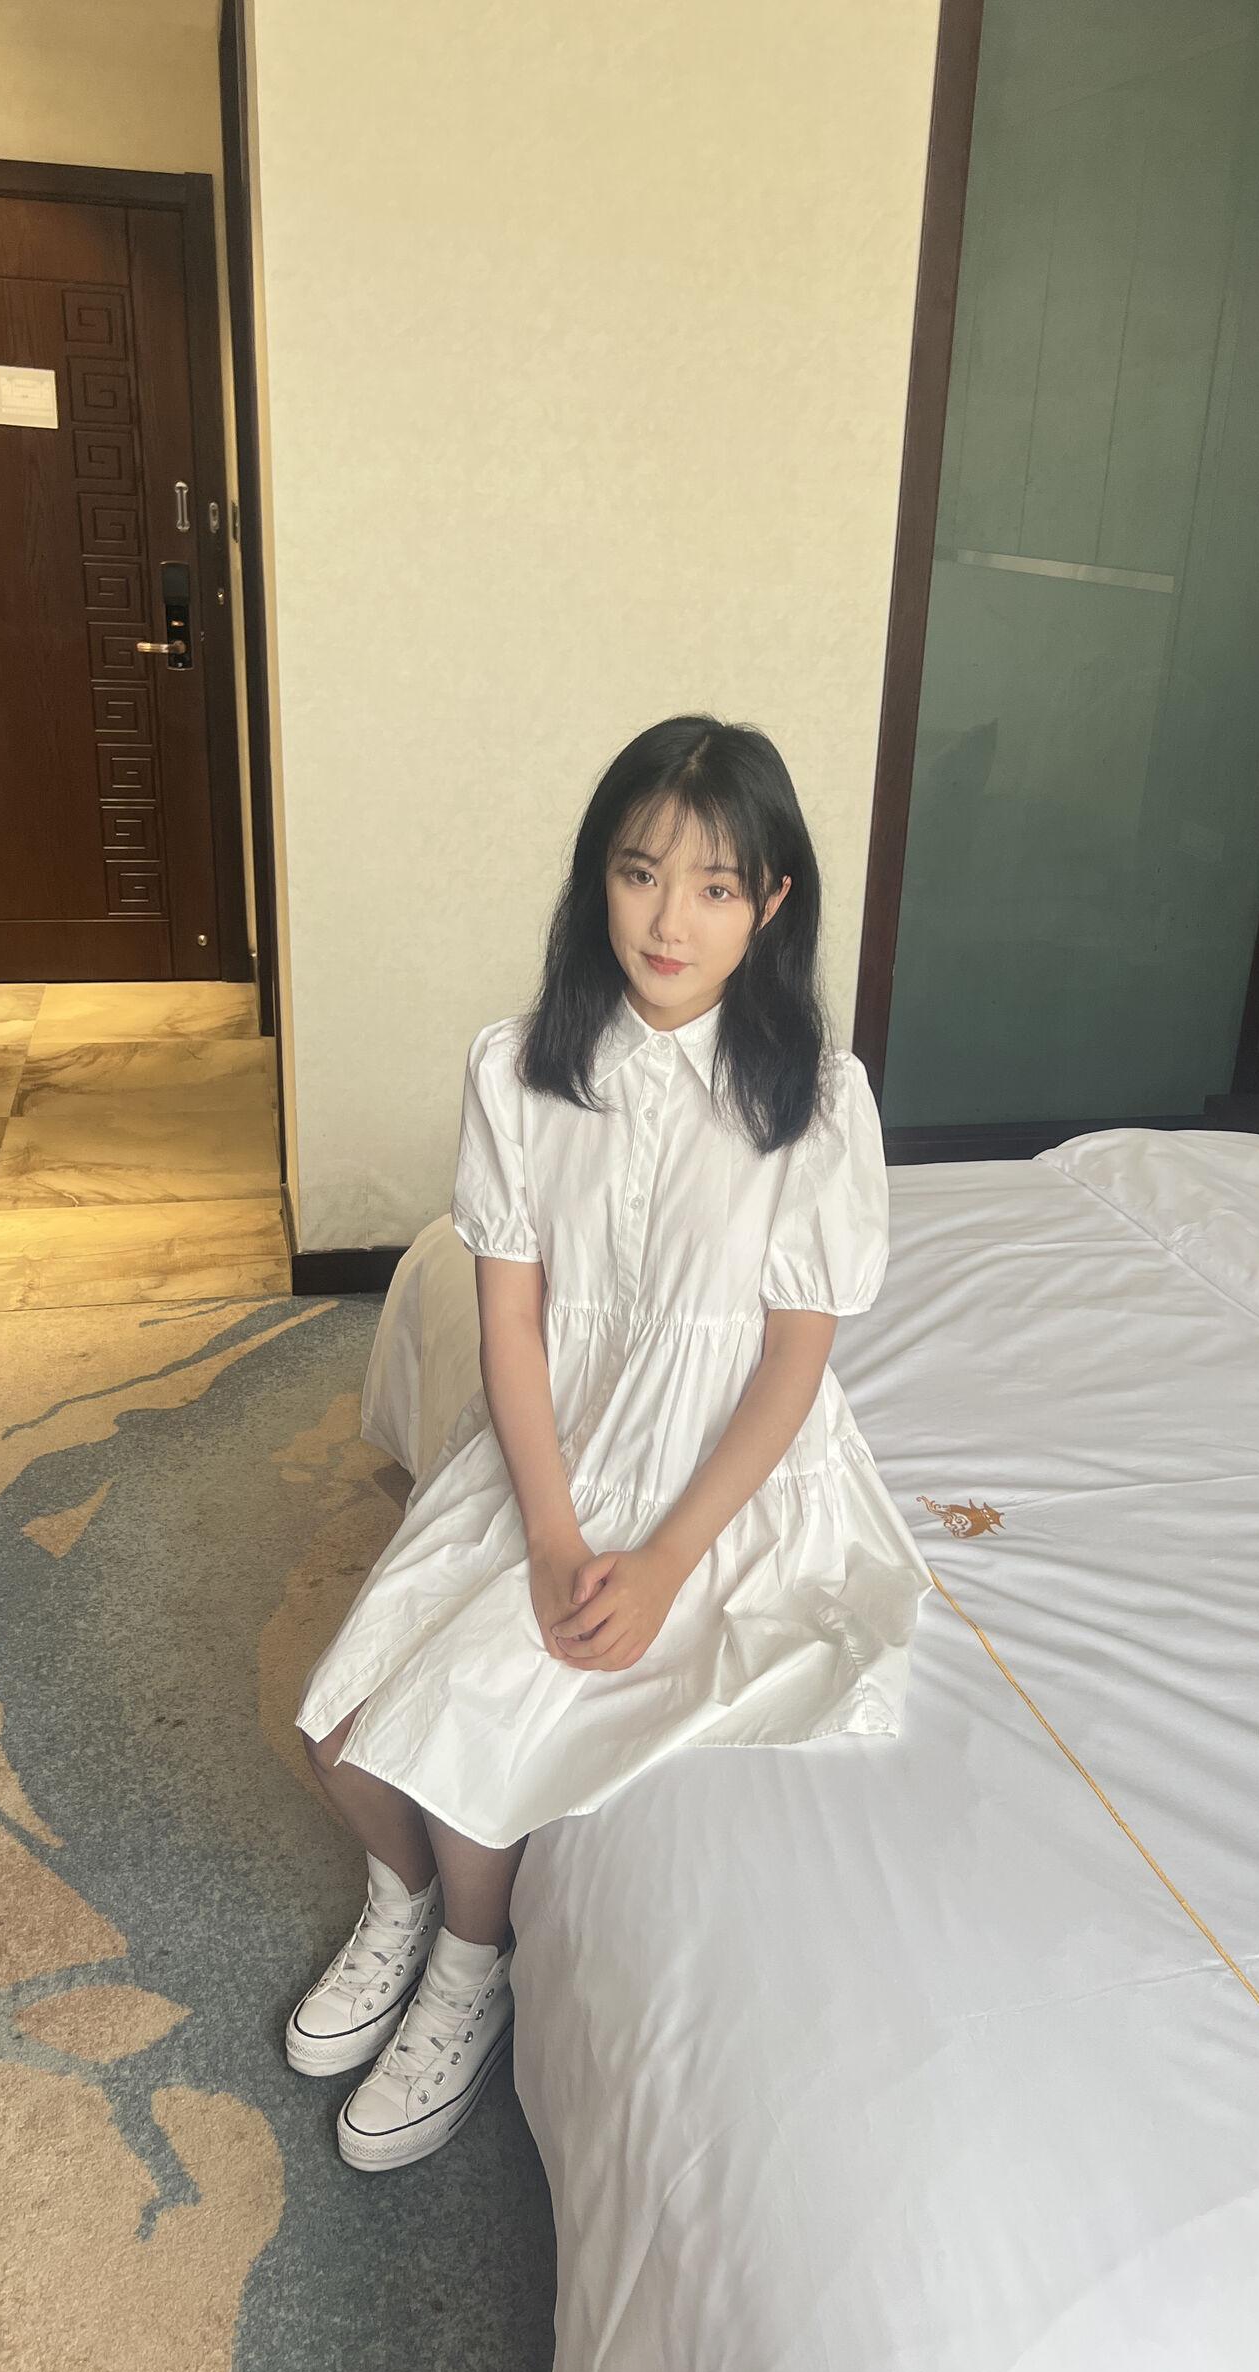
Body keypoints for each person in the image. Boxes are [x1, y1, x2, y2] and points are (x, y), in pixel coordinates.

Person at [287, 714, 933, 2172]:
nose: (669, 920)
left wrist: (661, 1562)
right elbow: (511, 1324)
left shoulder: (817, 1099)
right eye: (641, 874)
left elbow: (793, 1363)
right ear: (597, 879)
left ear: (771, 904)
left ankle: (472, 1967)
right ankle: (400, 1908)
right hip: (557, 1449)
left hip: (718, 1481)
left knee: (473, 1731)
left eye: (716, 886)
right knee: (333, 1736)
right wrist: (556, 1531)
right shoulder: (522, 1068)